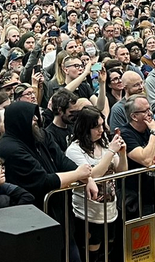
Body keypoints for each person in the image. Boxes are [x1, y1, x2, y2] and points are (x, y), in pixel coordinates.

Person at [63, 106, 125, 260]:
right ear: (85, 127)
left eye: (102, 125)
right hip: (87, 213)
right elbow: (92, 175)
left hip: (110, 209)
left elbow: (121, 171)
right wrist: (111, 152)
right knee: (92, 253)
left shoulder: (103, 145)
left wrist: (122, 154)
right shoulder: (74, 149)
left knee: (108, 250)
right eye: (96, 127)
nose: (101, 130)